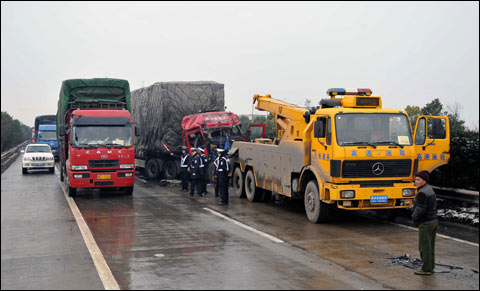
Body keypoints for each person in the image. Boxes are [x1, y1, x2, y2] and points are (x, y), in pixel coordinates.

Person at [412, 170, 438, 276]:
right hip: (433, 221)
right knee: (430, 246)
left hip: (426, 223)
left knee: (424, 247)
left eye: (418, 179)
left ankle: (426, 269)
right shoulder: (429, 189)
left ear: (424, 181)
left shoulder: (422, 192)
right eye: (415, 179)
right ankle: (430, 266)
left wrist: (414, 217)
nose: (416, 181)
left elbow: (421, 208)